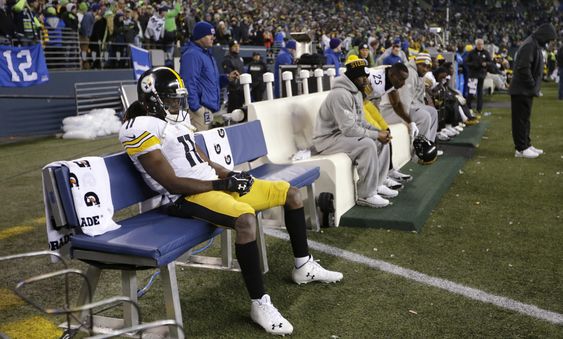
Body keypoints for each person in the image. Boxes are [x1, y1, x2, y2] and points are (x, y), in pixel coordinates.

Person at [120, 67, 343, 336]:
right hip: (186, 197)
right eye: (170, 99)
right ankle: (260, 304)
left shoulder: (172, 122)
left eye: (178, 99)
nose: (176, 105)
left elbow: (198, 155)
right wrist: (221, 184)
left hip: (212, 184)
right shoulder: (138, 127)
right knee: (246, 219)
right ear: (152, 98)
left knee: (290, 193)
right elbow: (171, 183)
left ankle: (303, 266)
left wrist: (229, 174)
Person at [313, 58, 397, 208]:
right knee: (368, 144)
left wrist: (378, 132)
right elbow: (349, 129)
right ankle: (365, 194)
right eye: (362, 76)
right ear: (352, 77)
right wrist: (376, 135)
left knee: (381, 140)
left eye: (366, 76)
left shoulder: (357, 92)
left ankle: (377, 184)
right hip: (327, 140)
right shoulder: (340, 94)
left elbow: (360, 122)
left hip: (341, 136)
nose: (366, 80)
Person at [378, 53, 439, 162]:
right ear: (416, 63)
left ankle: (428, 146)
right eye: (422, 65)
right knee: (424, 116)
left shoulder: (418, 73)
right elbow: (404, 100)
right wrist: (409, 121)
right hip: (389, 111)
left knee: (432, 112)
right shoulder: (409, 73)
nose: (425, 69)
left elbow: (415, 100)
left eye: (427, 67)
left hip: (401, 107)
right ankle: (418, 154)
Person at [179, 21, 239, 131]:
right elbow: (188, 82)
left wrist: (226, 78)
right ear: (200, 36)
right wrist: (196, 108)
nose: (213, 38)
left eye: (213, 35)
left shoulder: (205, 54)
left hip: (207, 109)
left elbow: (211, 81)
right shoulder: (192, 54)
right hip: (199, 110)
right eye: (209, 35)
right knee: (200, 145)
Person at [510, 23, 557, 158]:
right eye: (549, 39)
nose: (549, 42)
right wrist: (532, 85)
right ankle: (521, 148)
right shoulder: (530, 45)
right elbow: (523, 68)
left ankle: (526, 144)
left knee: (525, 119)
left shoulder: (533, 43)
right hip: (522, 89)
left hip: (524, 89)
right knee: (520, 119)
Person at [465, 39, 492, 115]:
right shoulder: (471, 53)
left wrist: (486, 64)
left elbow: (490, 62)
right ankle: (468, 107)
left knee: (480, 93)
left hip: (481, 75)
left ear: (483, 44)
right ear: (476, 45)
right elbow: (467, 62)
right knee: (471, 92)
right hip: (473, 75)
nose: (480, 46)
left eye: (481, 44)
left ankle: (479, 109)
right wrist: (474, 64)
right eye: (479, 44)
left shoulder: (486, 53)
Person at [222, 40, 245, 113]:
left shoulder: (240, 58)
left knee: (241, 110)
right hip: (233, 90)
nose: (237, 48)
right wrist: (235, 83)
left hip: (241, 88)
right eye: (235, 46)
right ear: (230, 48)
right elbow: (229, 76)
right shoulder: (228, 59)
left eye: (238, 46)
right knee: (233, 111)